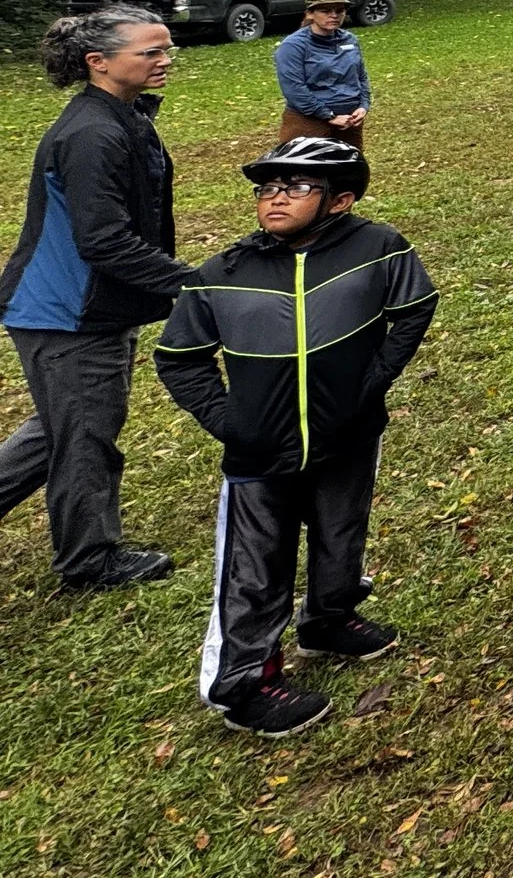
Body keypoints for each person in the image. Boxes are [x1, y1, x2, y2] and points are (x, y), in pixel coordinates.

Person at [153, 138, 437, 736]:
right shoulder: (224, 275)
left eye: (296, 187)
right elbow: (180, 357)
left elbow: (415, 307)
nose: (275, 198)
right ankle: (245, 685)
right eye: (267, 187)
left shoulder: (379, 250)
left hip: (350, 436)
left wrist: (373, 382)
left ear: (340, 200)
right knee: (255, 569)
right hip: (261, 455)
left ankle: (329, 620)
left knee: (342, 533)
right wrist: (230, 422)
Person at [0, 5, 195, 590]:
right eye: (151, 52)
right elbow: (104, 242)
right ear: (99, 62)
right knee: (85, 437)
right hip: (68, 314)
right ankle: (89, 560)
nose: (165, 61)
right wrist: (194, 284)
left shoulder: (122, 115)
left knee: (58, 428)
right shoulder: (93, 132)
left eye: (167, 50)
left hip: (82, 308)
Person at [273, 0, 371, 146]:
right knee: (307, 168)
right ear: (310, 14)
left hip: (350, 119)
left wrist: (363, 105)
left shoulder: (350, 39)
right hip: (309, 121)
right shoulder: (293, 46)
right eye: (325, 11)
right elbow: (294, 88)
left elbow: (361, 76)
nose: (334, 15)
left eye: (340, 11)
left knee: (348, 166)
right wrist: (329, 116)